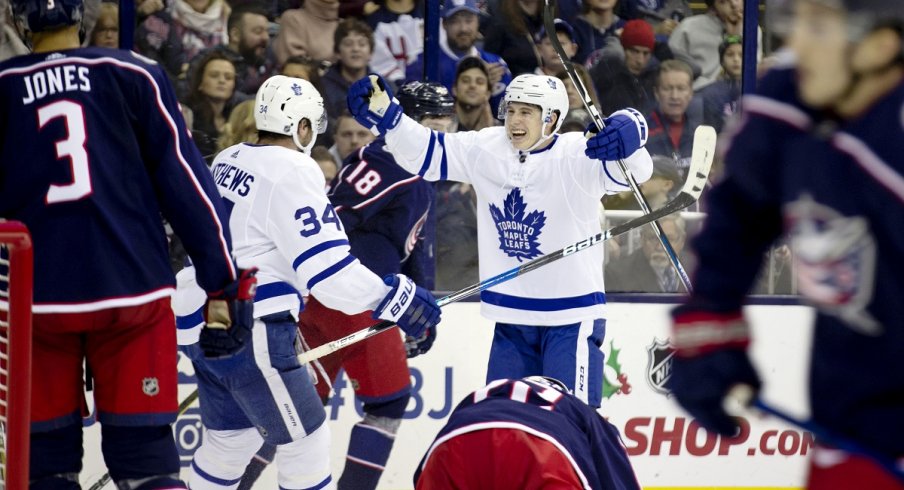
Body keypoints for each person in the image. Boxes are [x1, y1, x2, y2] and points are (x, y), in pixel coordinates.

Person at [0, 0, 256, 487]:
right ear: (82, 17)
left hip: (35, 304)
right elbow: (188, 187)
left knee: (44, 466)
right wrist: (224, 287)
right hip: (133, 294)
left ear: (18, 22)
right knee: (146, 462)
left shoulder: (3, 85)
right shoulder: (134, 72)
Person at [666, 1, 904, 488]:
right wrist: (711, 313)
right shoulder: (789, 97)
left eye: (818, 28)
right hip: (852, 429)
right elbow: (742, 208)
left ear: (881, 47)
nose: (794, 48)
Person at [172, 75, 442, 490]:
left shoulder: (228, 157)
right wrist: (395, 298)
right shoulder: (295, 170)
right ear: (300, 127)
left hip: (199, 321)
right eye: (312, 127)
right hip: (252, 323)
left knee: (231, 442)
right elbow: (329, 273)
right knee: (307, 443)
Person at [348, 72, 653, 407]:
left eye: (527, 112)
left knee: (571, 421)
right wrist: (388, 116)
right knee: (504, 419)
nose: (514, 120)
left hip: (571, 317)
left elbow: (635, 174)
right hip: (511, 317)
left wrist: (633, 131)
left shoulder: (579, 154)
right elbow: (427, 151)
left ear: (551, 118)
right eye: (511, 110)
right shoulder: (487, 148)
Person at [414, 376, 641, 489]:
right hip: (536, 449)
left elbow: (421, 473)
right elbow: (618, 478)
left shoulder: (481, 399)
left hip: (455, 444)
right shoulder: (578, 410)